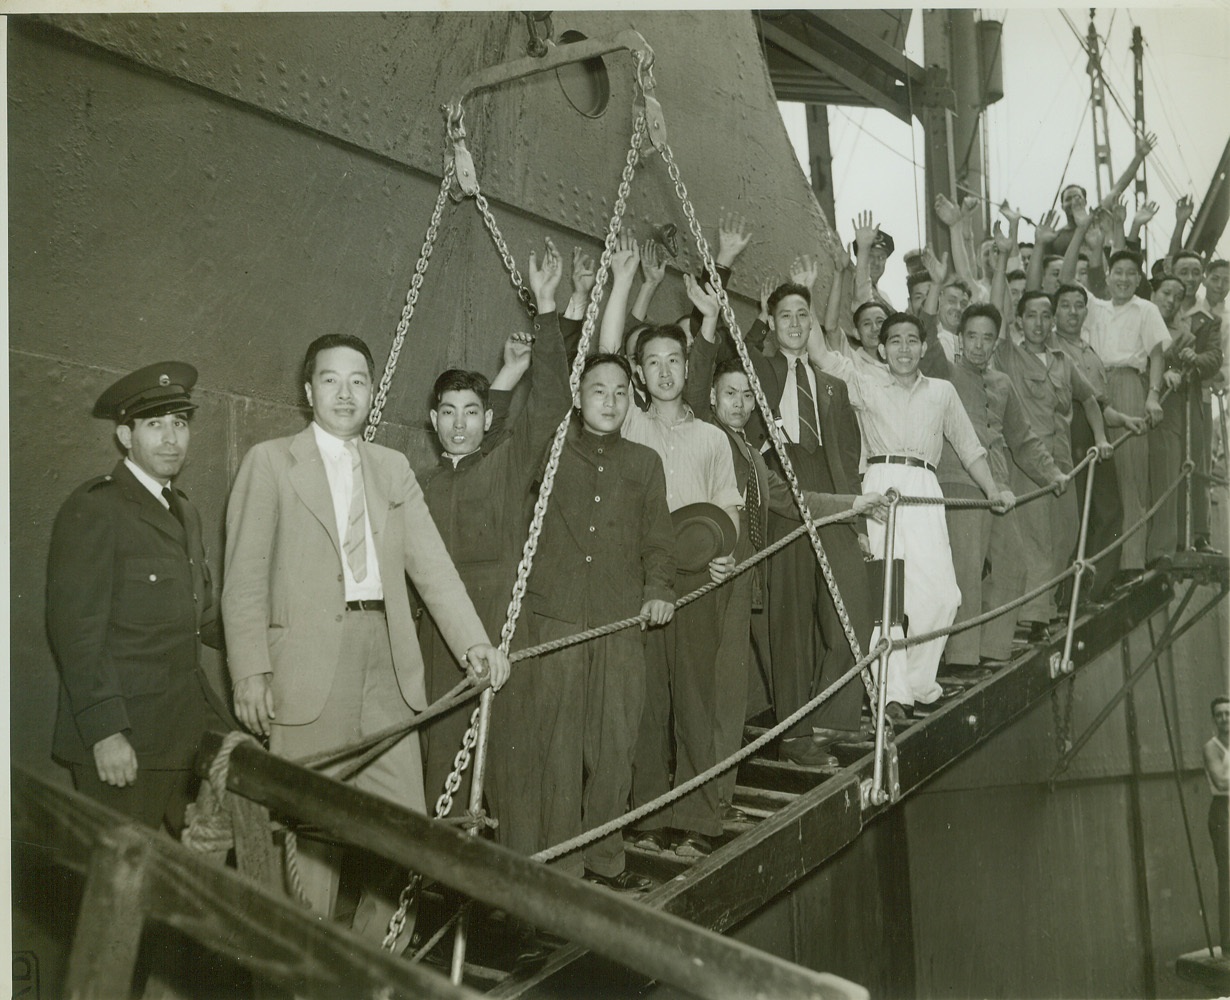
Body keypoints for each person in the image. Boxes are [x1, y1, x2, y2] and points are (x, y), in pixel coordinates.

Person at [222, 333, 510, 944]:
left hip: (387, 663)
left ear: (372, 390)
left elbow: (431, 566)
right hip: (303, 669)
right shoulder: (271, 463)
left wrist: (475, 644)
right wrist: (250, 670)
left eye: (358, 380)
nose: (345, 392)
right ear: (309, 392)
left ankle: (375, 963)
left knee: (405, 832)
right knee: (305, 832)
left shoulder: (392, 468)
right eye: (331, 380)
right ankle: (303, 970)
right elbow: (244, 580)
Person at [685, 290, 891, 773]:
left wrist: (856, 521)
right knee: (792, 625)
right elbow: (711, 386)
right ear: (770, 323)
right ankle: (797, 734)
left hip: (831, 499)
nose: (795, 323)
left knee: (853, 612)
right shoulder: (759, 370)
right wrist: (718, 318)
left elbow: (845, 461)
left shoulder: (834, 386)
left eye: (804, 315)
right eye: (785, 316)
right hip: (780, 494)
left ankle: (831, 715)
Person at [47, 363, 231, 833]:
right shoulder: (96, 507)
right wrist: (105, 731)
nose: (171, 439)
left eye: (180, 423)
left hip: (183, 734)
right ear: (125, 436)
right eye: (155, 425)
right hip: (124, 740)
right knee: (121, 885)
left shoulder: (184, 511)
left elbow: (205, 616)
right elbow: (76, 634)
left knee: (182, 882)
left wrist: (272, 636)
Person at [518, 351, 676, 890]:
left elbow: (658, 540)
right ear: (577, 394)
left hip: (619, 617)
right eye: (597, 390)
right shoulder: (551, 451)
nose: (609, 402)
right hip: (555, 616)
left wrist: (658, 590)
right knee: (556, 744)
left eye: (619, 392)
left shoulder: (645, 463)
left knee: (615, 742)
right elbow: (539, 404)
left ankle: (606, 863)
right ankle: (560, 867)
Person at [809, 311, 1013, 724]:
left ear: (924, 346)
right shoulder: (863, 383)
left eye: (912, 340)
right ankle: (891, 693)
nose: (904, 348)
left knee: (943, 597)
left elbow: (969, 446)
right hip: (882, 485)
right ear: (881, 349)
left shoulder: (942, 392)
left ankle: (917, 682)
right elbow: (822, 355)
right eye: (895, 341)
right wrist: (807, 299)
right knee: (890, 593)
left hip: (925, 488)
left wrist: (993, 490)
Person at [611, 321, 742, 859]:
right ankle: (648, 811)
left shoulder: (712, 437)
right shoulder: (628, 426)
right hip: (642, 577)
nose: (664, 371)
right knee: (646, 698)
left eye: (674, 360)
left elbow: (726, 503)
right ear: (639, 374)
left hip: (695, 577)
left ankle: (697, 816)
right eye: (652, 362)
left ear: (689, 369)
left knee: (695, 697)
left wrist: (726, 555)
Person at [929, 304, 1066, 673]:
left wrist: (1051, 474)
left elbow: (1023, 439)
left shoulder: (1002, 383)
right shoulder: (945, 376)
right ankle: (960, 657)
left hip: (999, 487)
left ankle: (992, 649)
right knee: (967, 571)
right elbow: (926, 343)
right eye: (971, 336)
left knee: (1013, 565)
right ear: (960, 338)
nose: (978, 345)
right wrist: (931, 307)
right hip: (960, 483)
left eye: (987, 337)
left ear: (995, 342)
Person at [995, 291, 1114, 642]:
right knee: (1035, 538)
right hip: (1027, 463)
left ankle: (1049, 606)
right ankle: (1034, 617)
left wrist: (1102, 437)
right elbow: (998, 313)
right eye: (1031, 315)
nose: (1039, 323)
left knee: (1064, 534)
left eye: (1046, 316)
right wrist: (1003, 257)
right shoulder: (1009, 357)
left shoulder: (1063, 361)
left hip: (1063, 462)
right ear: (1019, 320)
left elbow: (1089, 398)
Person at [1081, 249, 1171, 583]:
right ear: (1107, 274)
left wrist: (1152, 395)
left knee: (1130, 473)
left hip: (1129, 384)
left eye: (1131, 273)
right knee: (1099, 477)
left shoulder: (1146, 309)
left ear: (1139, 278)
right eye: (1117, 272)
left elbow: (1157, 355)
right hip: (1095, 383)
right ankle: (1099, 567)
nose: (1123, 279)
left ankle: (1131, 562)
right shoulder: (1095, 307)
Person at [1204, 696, 1230, 956]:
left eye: (1228, 713)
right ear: (1214, 719)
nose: (1224, 718)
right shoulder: (1211, 748)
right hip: (1223, 812)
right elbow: (1222, 782)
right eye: (1219, 714)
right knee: (1228, 877)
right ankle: (1229, 944)